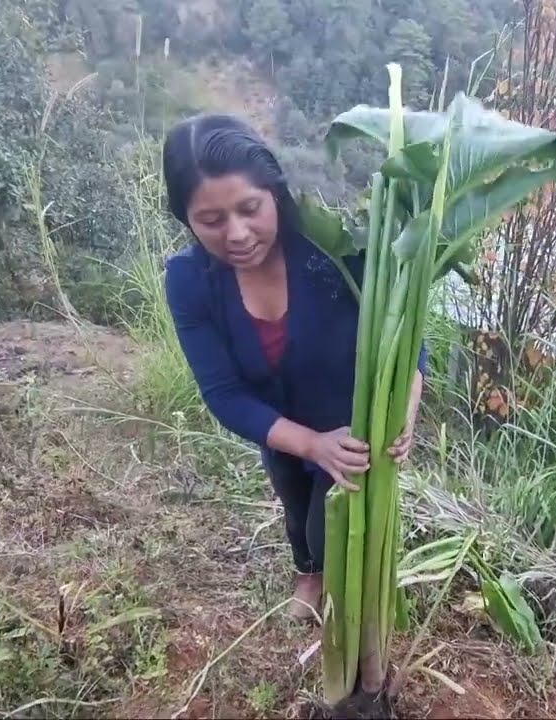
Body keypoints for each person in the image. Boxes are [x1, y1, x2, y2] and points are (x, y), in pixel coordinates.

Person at [161, 114, 425, 621]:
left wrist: (405, 407)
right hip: (278, 425)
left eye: (250, 209)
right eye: (211, 221)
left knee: (335, 530)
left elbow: (408, 338)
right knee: (294, 503)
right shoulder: (189, 281)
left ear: (275, 193)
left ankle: (344, 599)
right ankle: (307, 574)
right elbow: (224, 393)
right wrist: (307, 444)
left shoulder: (335, 250)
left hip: (354, 434)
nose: (236, 234)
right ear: (186, 219)